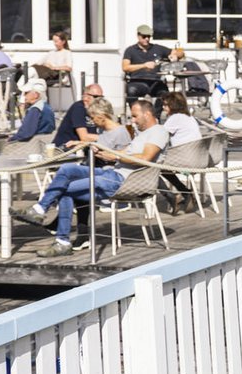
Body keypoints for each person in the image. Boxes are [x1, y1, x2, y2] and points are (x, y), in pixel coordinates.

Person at [15, 97, 162, 257]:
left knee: (65, 190)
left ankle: (62, 240)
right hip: (111, 173)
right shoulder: (142, 133)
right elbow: (124, 151)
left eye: (135, 116)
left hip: (121, 180)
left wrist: (114, 157)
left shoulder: (158, 132)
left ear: (147, 114)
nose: (132, 121)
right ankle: (40, 209)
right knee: (66, 169)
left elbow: (145, 158)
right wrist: (100, 151)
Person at [122, 24, 169, 101]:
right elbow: (125, 67)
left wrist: (175, 55)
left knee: (164, 93)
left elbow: (178, 53)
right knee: (131, 90)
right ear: (138, 36)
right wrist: (144, 65)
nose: (147, 39)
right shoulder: (130, 50)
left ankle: (156, 113)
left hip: (156, 81)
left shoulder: (157, 48)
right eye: (144, 37)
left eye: (149, 36)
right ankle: (136, 112)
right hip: (137, 80)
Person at [52, 83, 105, 147]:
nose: (99, 100)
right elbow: (84, 137)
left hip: (83, 148)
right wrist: (107, 138)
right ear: (86, 96)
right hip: (66, 149)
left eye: (101, 97)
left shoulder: (96, 110)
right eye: (96, 97)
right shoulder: (78, 108)